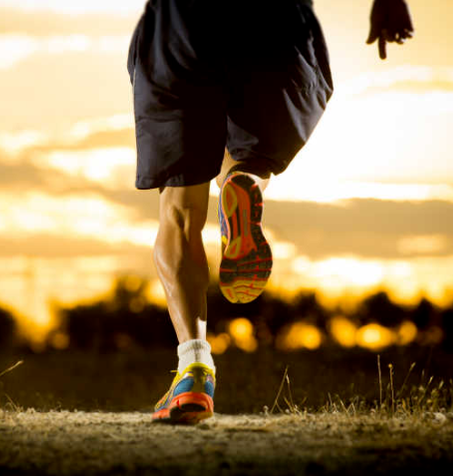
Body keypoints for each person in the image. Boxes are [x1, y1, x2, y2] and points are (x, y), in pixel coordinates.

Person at [127, 0, 414, 423]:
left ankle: (194, 369)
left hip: (179, 23)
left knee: (180, 210)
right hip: (275, 20)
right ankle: (246, 178)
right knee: (255, 151)